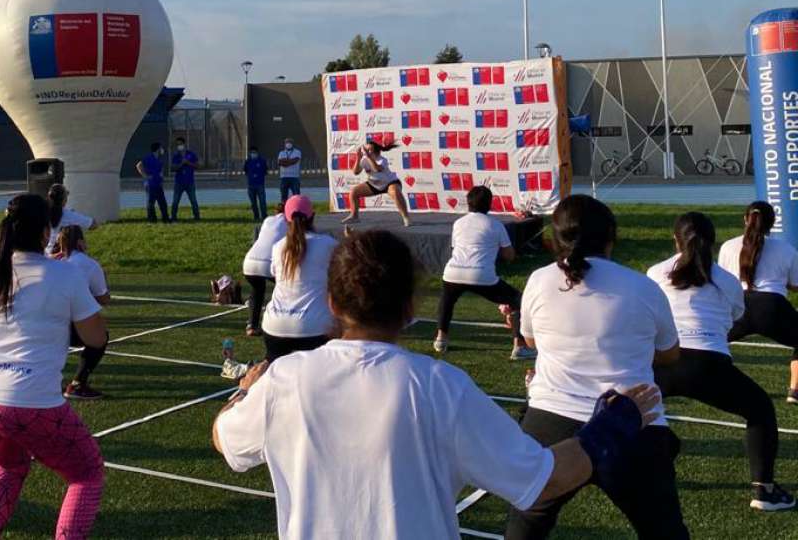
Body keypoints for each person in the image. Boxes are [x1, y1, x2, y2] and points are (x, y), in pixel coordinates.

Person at [213, 228, 662, 540]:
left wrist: (246, 389)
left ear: (332, 303)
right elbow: (542, 479)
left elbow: (224, 438)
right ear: (410, 308)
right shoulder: (440, 387)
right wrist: (613, 424)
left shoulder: (284, 382)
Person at [506, 194, 687, 540]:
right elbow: (670, 353)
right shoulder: (643, 287)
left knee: (525, 525)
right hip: (631, 418)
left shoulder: (539, 280)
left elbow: (531, 341)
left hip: (550, 420)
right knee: (664, 531)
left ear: (554, 239)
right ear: (611, 238)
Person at [0, 193, 107, 538]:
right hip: (27, 399)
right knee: (86, 474)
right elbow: (96, 338)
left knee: (9, 466)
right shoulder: (65, 274)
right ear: (46, 232)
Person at [649, 211, 794, 511]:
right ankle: (764, 490)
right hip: (708, 363)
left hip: (663, 360)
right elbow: (734, 319)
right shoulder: (726, 281)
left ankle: (639, 460)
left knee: (624, 407)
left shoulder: (655, 273)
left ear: (675, 240)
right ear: (712, 243)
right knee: (760, 410)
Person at [434, 186, 535, 360]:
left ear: (468, 203)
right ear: (489, 204)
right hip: (481, 275)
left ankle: (440, 339)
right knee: (519, 301)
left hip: (453, 271)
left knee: (447, 301)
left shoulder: (458, 223)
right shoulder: (495, 225)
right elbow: (509, 255)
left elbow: (455, 248)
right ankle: (519, 346)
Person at [718, 201, 798, 402]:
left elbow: (723, 282)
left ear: (745, 219)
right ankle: (795, 390)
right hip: (772, 307)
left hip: (738, 305)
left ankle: (718, 385)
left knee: (711, 340)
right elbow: (795, 284)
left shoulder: (728, 246)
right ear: (773, 223)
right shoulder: (785, 249)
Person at [261, 195, 338, 361]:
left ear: (286, 220)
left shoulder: (278, 247)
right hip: (314, 327)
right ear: (313, 216)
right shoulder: (328, 244)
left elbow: (275, 275)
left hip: (275, 325)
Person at [56, 224, 111, 400]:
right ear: (81, 242)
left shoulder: (52, 262)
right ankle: (78, 383)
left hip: (45, 321)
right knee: (100, 338)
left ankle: (45, 382)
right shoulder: (90, 265)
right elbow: (103, 298)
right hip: (72, 325)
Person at [341, 139, 411, 227]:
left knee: (395, 193)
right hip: (374, 185)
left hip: (389, 183)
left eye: (369, 150)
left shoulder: (382, 160)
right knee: (354, 192)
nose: (367, 152)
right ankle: (354, 216)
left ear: (377, 152)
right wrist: (358, 158)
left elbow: (376, 169)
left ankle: (406, 217)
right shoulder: (364, 159)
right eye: (366, 150)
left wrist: (369, 157)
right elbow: (356, 172)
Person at [242, 204, 286, 337]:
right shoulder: (290, 223)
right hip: (268, 263)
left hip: (249, 262)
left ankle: (252, 326)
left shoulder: (268, 220)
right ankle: (281, 324)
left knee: (257, 290)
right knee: (287, 287)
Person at [45, 184, 98, 255]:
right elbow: (93, 225)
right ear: (64, 199)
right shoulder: (68, 214)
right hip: (61, 255)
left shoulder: (44, 212)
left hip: (47, 254)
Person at [136, 141, 169, 223]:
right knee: (151, 203)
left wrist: (161, 179)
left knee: (162, 202)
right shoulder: (148, 157)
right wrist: (145, 176)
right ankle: (152, 219)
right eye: (161, 148)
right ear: (157, 149)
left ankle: (165, 219)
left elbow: (160, 171)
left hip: (158, 184)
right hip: (150, 184)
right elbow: (138, 165)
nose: (162, 150)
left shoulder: (159, 159)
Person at [171, 137, 200, 221]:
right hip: (179, 183)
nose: (179, 146)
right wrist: (181, 164)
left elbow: (197, 166)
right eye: (177, 144)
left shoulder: (191, 154)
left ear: (184, 144)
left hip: (190, 182)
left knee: (193, 201)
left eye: (180, 144)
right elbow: (173, 168)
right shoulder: (176, 156)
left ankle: (197, 216)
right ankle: (173, 217)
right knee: (175, 201)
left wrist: (188, 163)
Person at [243, 146, 268, 220]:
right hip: (251, 185)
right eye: (252, 152)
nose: (253, 154)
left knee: (262, 202)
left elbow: (265, 171)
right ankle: (256, 216)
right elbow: (246, 171)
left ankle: (264, 216)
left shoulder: (262, 161)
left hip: (260, 184)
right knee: (253, 203)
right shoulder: (248, 161)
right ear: (250, 153)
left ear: (257, 153)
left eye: (255, 152)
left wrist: (258, 175)